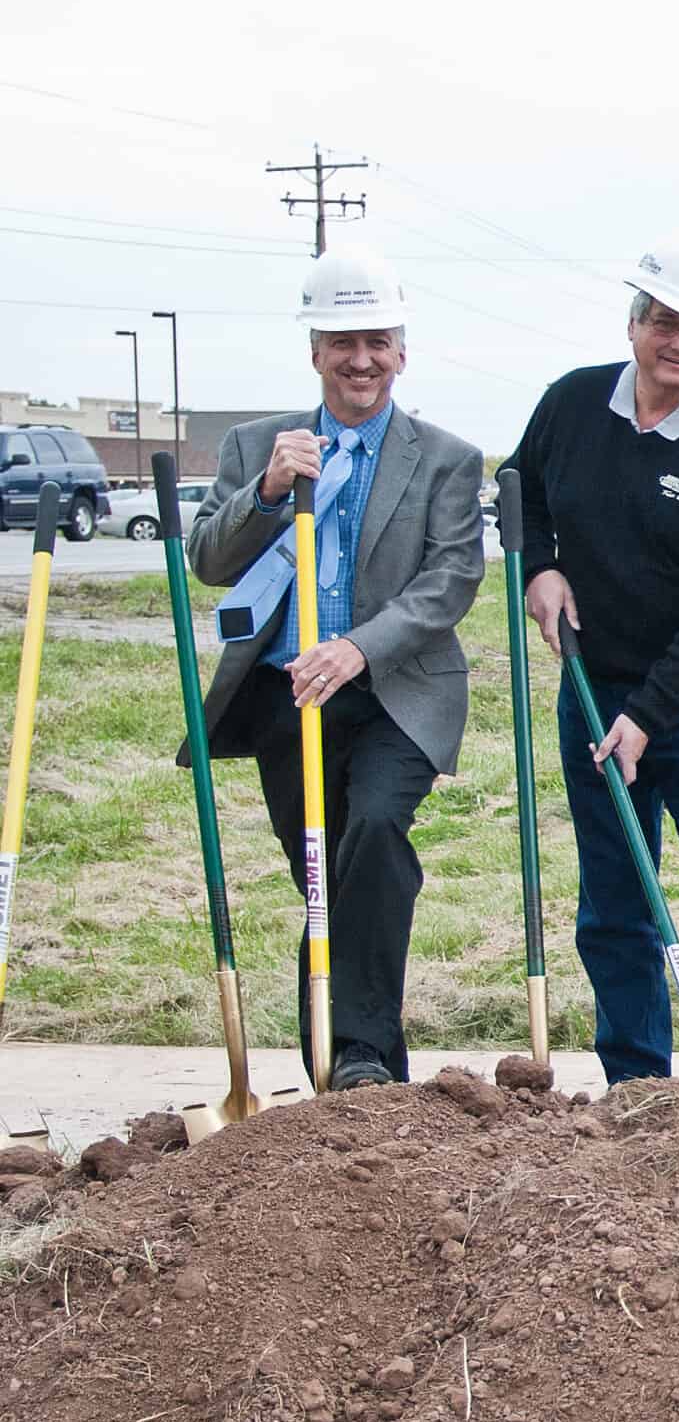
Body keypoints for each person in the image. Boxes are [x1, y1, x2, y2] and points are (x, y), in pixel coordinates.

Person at [185, 247, 484, 1089]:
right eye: (343, 342)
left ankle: (352, 1055)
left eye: (378, 342)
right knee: (323, 873)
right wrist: (270, 492)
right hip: (288, 697)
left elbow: (452, 577)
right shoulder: (257, 448)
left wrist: (360, 645)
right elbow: (208, 557)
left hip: (398, 696)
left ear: (401, 350)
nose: (361, 360)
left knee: (375, 833)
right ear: (315, 350)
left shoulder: (447, 458)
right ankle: (352, 1073)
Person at [512, 232, 679, 1081]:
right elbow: (517, 488)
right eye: (666, 321)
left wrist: (648, 717)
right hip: (594, 687)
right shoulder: (571, 404)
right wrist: (540, 565)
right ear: (635, 321)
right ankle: (635, 1081)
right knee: (616, 899)